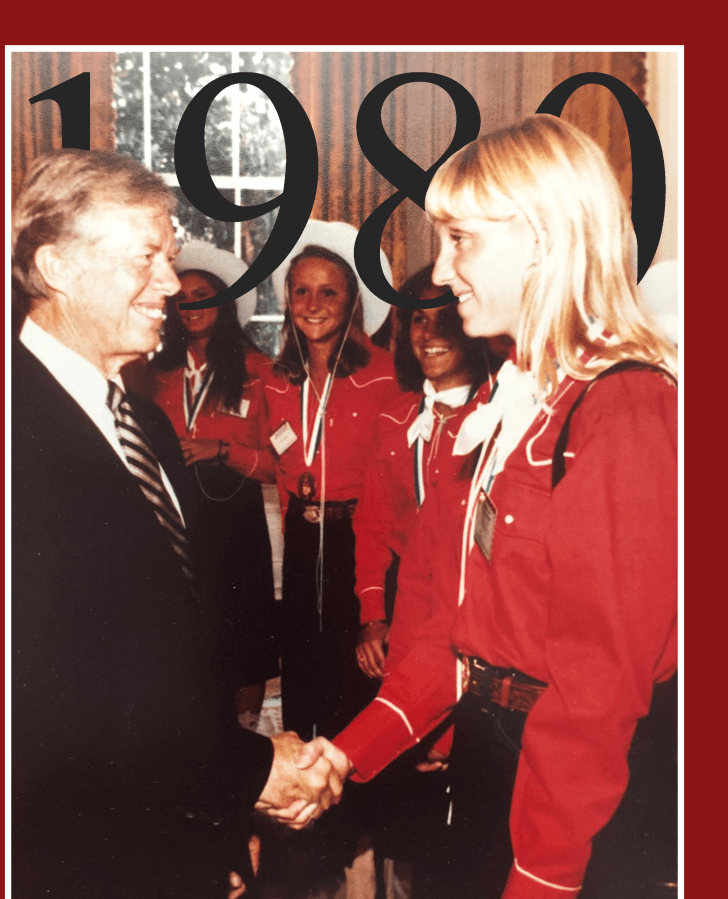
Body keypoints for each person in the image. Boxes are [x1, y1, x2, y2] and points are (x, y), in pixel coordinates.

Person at [322, 115, 677, 899]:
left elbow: (595, 694)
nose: (442, 273)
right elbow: (450, 630)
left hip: (580, 802)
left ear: (543, 242)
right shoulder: (507, 400)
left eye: (460, 241)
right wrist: (349, 752)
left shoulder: (623, 407)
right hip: (494, 758)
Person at [10, 149, 347, 899]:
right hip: (73, 879)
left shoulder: (147, 424)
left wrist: (215, 825)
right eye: (147, 258)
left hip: (171, 847)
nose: (170, 282)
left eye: (170, 255)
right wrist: (252, 772)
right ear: (57, 266)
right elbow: (57, 704)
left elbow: (171, 655)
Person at [125, 241, 279, 729]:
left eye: (203, 294)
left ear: (226, 305)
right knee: (192, 628)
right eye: (182, 298)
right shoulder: (153, 376)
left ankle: (250, 736)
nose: (191, 305)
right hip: (176, 517)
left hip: (237, 519)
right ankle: (203, 737)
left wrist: (222, 452)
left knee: (244, 630)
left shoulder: (261, 373)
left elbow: (283, 464)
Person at [261, 220, 401, 743]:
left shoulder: (389, 375)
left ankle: (356, 803)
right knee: (302, 669)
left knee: (356, 674)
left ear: (352, 302)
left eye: (328, 291)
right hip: (300, 535)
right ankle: (302, 795)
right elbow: (272, 460)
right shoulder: (276, 379)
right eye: (301, 290)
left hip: (360, 541)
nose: (312, 303)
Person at [353, 264, 509, 681]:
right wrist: (373, 616)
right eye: (419, 319)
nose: (430, 333)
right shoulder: (394, 418)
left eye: (447, 317)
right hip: (406, 600)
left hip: (475, 600)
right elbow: (372, 524)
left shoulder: (497, 416)